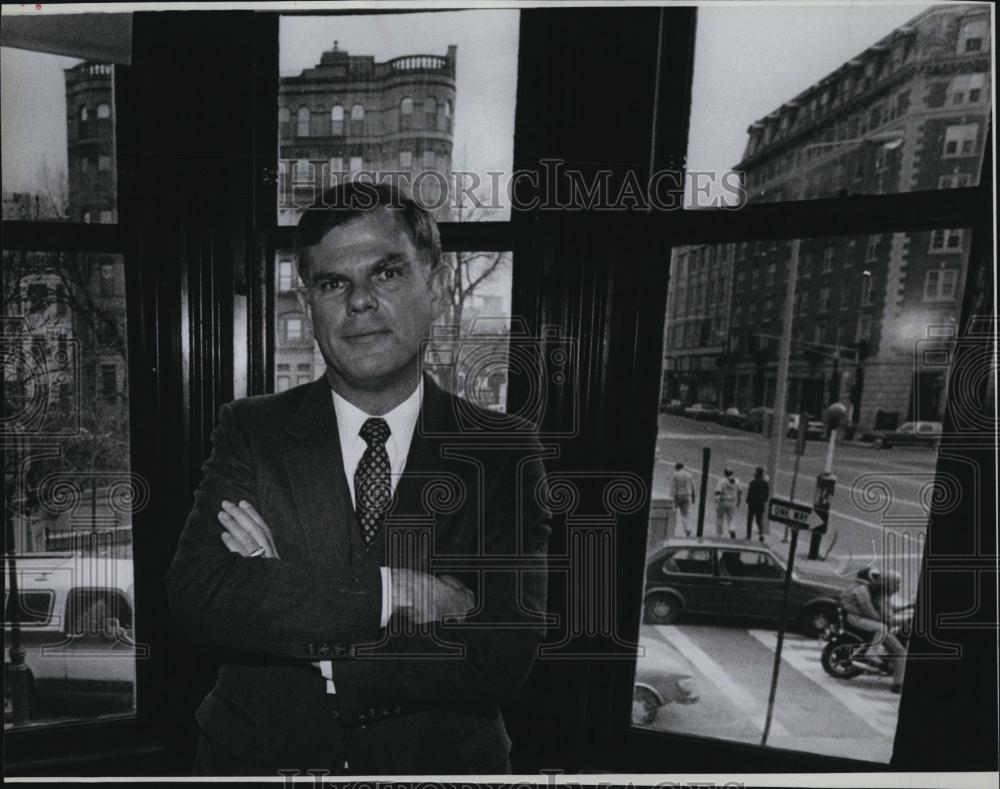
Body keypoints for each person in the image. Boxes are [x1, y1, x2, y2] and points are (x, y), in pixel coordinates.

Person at [166, 182, 551, 775]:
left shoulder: (502, 450)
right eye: (333, 283)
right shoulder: (251, 430)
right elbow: (199, 596)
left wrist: (280, 594)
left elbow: (499, 658)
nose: (360, 301)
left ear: (436, 288)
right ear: (308, 305)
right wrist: (396, 592)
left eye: (387, 273)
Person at [840, 569, 907, 693]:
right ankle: (898, 684)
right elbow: (878, 613)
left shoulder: (879, 593)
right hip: (859, 619)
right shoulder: (874, 594)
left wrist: (906, 608)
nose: (898, 587)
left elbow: (888, 610)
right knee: (900, 651)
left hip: (863, 619)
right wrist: (904, 620)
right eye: (896, 584)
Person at [714, 467, 742, 538]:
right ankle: (731, 529)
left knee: (720, 517)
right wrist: (739, 501)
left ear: (725, 473)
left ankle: (719, 533)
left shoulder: (722, 481)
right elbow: (740, 492)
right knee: (731, 518)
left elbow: (718, 491)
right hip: (733, 501)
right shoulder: (737, 481)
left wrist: (717, 501)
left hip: (723, 500)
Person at [671, 462, 697, 536]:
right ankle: (687, 529)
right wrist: (693, 497)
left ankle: (672, 529)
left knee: (673, 512)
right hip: (687, 496)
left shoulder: (675, 475)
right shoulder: (689, 475)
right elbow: (693, 487)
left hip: (678, 496)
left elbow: (673, 487)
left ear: (676, 468)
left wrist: (672, 498)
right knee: (685, 514)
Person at [745, 466, 769, 541]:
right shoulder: (765, 483)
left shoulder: (753, 482)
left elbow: (750, 493)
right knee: (759, 520)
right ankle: (761, 534)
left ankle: (748, 535)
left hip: (752, 504)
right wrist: (763, 501)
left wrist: (747, 501)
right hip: (760, 504)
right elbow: (766, 496)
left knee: (750, 520)